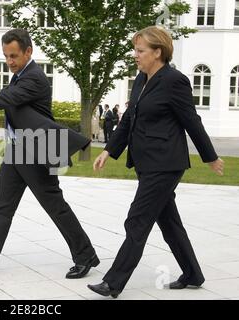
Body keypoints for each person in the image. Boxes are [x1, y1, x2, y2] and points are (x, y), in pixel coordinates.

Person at [0, 29, 99, 279]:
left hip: (38, 151)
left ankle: (85, 255)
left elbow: (5, 98)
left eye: (13, 56)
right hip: (17, 151)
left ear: (28, 51)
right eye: (5, 56)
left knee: (55, 206)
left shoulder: (34, 77)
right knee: (2, 208)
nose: (9, 62)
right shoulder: (20, 75)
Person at [88, 26, 224, 298]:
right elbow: (129, 119)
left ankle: (113, 283)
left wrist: (210, 156)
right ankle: (193, 274)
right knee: (169, 222)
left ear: (158, 52)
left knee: (137, 221)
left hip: (165, 164)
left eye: (140, 51)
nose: (135, 55)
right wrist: (109, 150)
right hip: (145, 162)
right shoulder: (141, 79)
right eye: (135, 50)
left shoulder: (175, 81)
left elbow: (191, 121)